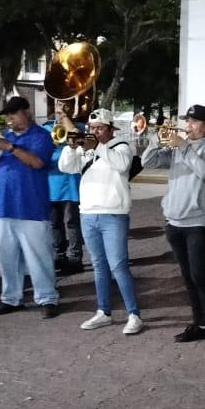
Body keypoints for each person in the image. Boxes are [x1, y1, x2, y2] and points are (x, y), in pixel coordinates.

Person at [141, 104, 205, 352]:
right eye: (186, 121)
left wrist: (183, 146)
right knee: (188, 277)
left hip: (198, 222)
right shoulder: (179, 148)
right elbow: (149, 161)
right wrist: (156, 141)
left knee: (200, 275)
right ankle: (198, 325)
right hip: (174, 222)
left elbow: (204, 171)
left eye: (194, 122)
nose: (188, 126)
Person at [58, 108, 143, 335]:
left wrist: (96, 146)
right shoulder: (87, 150)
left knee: (118, 265)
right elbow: (65, 167)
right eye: (91, 128)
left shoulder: (121, 146)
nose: (94, 132)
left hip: (113, 214)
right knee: (98, 266)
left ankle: (133, 314)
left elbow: (122, 165)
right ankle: (103, 312)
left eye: (99, 128)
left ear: (109, 129)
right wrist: (71, 146)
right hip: (87, 213)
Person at [0, 95, 59, 318]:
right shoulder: (5, 136)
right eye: (7, 115)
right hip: (4, 208)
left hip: (32, 208)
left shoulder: (41, 136)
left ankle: (47, 298)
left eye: (13, 114)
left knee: (39, 257)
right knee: (6, 257)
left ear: (26, 112)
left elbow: (37, 162)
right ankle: (11, 298)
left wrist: (9, 147)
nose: (10, 119)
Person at [43, 103, 83, 274]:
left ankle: (75, 258)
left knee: (71, 222)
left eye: (65, 107)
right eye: (59, 106)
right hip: (51, 181)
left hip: (71, 182)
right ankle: (59, 255)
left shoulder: (79, 126)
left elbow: (79, 137)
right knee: (54, 223)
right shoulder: (46, 127)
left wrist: (65, 119)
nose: (61, 109)